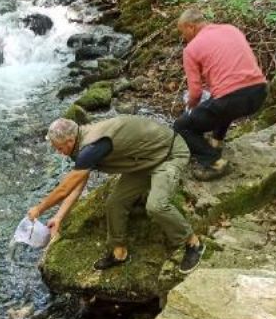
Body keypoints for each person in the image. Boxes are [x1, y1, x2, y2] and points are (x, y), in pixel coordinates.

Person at [28, 115, 205, 274]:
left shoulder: (92, 146)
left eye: (58, 148)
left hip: (169, 154)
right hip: (143, 161)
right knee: (115, 203)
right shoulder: (81, 146)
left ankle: (193, 242)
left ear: (70, 140)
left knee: (156, 206)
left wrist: (39, 208)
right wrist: (59, 217)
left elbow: (64, 189)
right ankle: (119, 252)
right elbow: (77, 185)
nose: (58, 152)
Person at [174, 8, 268, 181]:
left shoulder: (191, 49)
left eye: (182, 32)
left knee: (182, 126)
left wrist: (191, 109)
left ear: (190, 27)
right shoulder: (231, 29)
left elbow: (195, 92)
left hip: (232, 98)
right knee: (218, 103)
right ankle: (216, 142)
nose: (183, 37)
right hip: (259, 92)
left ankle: (214, 162)